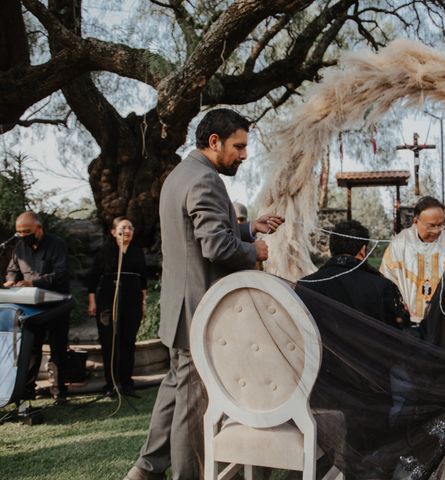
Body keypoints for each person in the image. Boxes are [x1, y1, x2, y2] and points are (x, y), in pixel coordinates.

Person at [124, 109, 284, 480]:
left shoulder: (181, 175)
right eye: (239, 147)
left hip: (180, 306)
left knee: (174, 390)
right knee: (193, 406)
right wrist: (254, 251)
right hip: (200, 311)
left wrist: (245, 229)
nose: (244, 156)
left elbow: (195, 236)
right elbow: (214, 248)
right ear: (215, 142)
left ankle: (146, 470)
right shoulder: (208, 180)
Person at [3, 211, 70, 403]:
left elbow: (61, 274)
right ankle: (27, 391)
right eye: (19, 232)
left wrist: (32, 283)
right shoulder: (19, 248)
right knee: (31, 348)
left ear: (38, 229)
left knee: (58, 348)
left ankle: (60, 391)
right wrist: (10, 281)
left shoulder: (56, 244)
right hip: (31, 308)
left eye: (26, 231)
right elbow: (12, 270)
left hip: (57, 304)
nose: (22, 235)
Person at [299, 219, 410, 329]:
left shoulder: (305, 285)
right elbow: (397, 330)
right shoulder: (382, 286)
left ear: (331, 249)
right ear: (363, 250)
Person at [87, 217, 147, 397]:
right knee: (109, 342)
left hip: (132, 301)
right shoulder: (105, 251)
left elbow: (143, 279)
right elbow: (92, 277)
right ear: (114, 232)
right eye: (123, 227)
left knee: (128, 342)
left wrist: (143, 303)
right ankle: (111, 384)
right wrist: (92, 301)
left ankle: (127, 383)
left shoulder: (137, 251)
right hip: (108, 300)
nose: (127, 230)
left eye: (130, 227)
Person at [380, 196, 445, 322]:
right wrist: (399, 308)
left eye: (440, 225)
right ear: (416, 221)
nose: (436, 231)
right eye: (431, 226)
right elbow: (387, 280)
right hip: (406, 319)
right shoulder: (399, 244)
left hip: (441, 320)